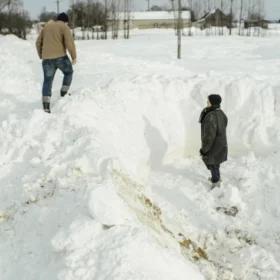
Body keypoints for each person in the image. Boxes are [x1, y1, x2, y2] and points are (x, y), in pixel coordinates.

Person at [36, 12, 77, 113]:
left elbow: (37, 43)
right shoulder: (63, 26)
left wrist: (42, 55)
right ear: (65, 21)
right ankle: (64, 93)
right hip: (60, 57)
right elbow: (69, 42)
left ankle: (46, 106)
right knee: (69, 72)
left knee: (47, 81)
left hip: (46, 59)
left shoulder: (46, 27)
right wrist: (74, 57)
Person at [199, 94, 228, 189]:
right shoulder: (221, 113)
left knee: (212, 165)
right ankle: (216, 178)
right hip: (220, 143)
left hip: (213, 146)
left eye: (208, 101)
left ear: (212, 102)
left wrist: (204, 150)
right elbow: (225, 123)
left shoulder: (211, 116)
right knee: (216, 163)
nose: (207, 102)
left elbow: (209, 137)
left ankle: (216, 183)